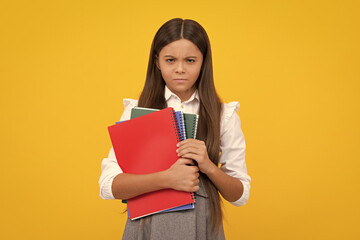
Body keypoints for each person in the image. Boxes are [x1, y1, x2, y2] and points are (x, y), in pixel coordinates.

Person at [99, 18, 251, 240]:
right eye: (170, 60)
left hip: (203, 225)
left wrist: (208, 166)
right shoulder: (136, 110)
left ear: (203, 62)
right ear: (157, 62)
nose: (180, 69)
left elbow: (240, 195)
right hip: (147, 228)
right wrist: (167, 178)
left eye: (190, 60)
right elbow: (108, 186)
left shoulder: (223, 115)